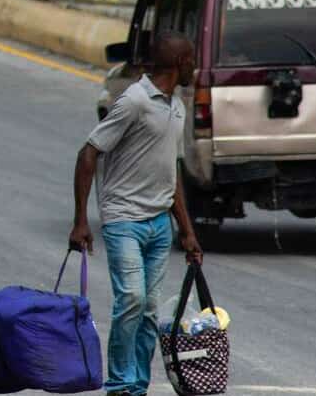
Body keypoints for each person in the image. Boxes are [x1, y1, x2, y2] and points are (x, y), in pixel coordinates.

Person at [68, 31, 203, 396]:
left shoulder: (177, 106)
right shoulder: (135, 100)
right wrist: (81, 220)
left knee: (148, 310)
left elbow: (170, 173)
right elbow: (88, 153)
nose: (196, 67)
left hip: (159, 224)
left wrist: (186, 230)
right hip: (124, 219)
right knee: (131, 299)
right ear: (180, 64)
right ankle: (119, 385)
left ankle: (137, 386)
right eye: (192, 60)